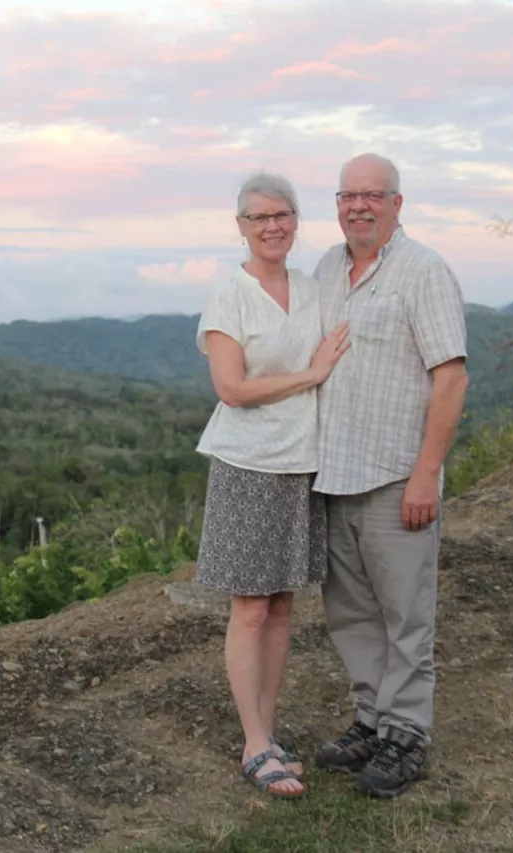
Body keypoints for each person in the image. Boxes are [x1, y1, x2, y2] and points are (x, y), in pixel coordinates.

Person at [310, 153, 469, 799]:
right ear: (338, 203)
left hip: (393, 475)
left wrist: (425, 475)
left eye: (373, 195)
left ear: (397, 204)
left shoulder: (423, 271)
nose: (360, 206)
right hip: (333, 474)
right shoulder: (326, 268)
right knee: (350, 613)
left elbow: (451, 376)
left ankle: (407, 734)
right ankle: (371, 719)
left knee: (405, 614)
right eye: (349, 195)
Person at [193, 171, 352, 799]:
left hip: (300, 463)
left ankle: (268, 732)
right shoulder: (229, 294)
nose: (272, 227)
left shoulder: (311, 290)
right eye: (259, 218)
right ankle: (254, 743)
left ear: (295, 220)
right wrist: (310, 376)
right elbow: (231, 388)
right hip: (247, 466)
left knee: (283, 603)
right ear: (241, 226)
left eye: (282, 215)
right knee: (251, 606)